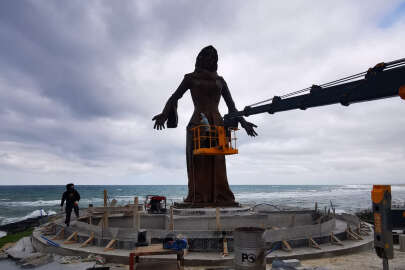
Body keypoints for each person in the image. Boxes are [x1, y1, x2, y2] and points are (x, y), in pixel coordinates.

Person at [153, 45, 257, 205]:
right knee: (199, 163)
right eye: (207, 56)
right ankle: (198, 196)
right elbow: (175, 97)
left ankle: (221, 197)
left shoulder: (220, 81)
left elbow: (232, 107)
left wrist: (243, 122)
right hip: (198, 123)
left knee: (218, 163)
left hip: (218, 125)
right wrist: (164, 114)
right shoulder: (190, 78)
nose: (210, 59)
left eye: (213, 57)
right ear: (200, 58)